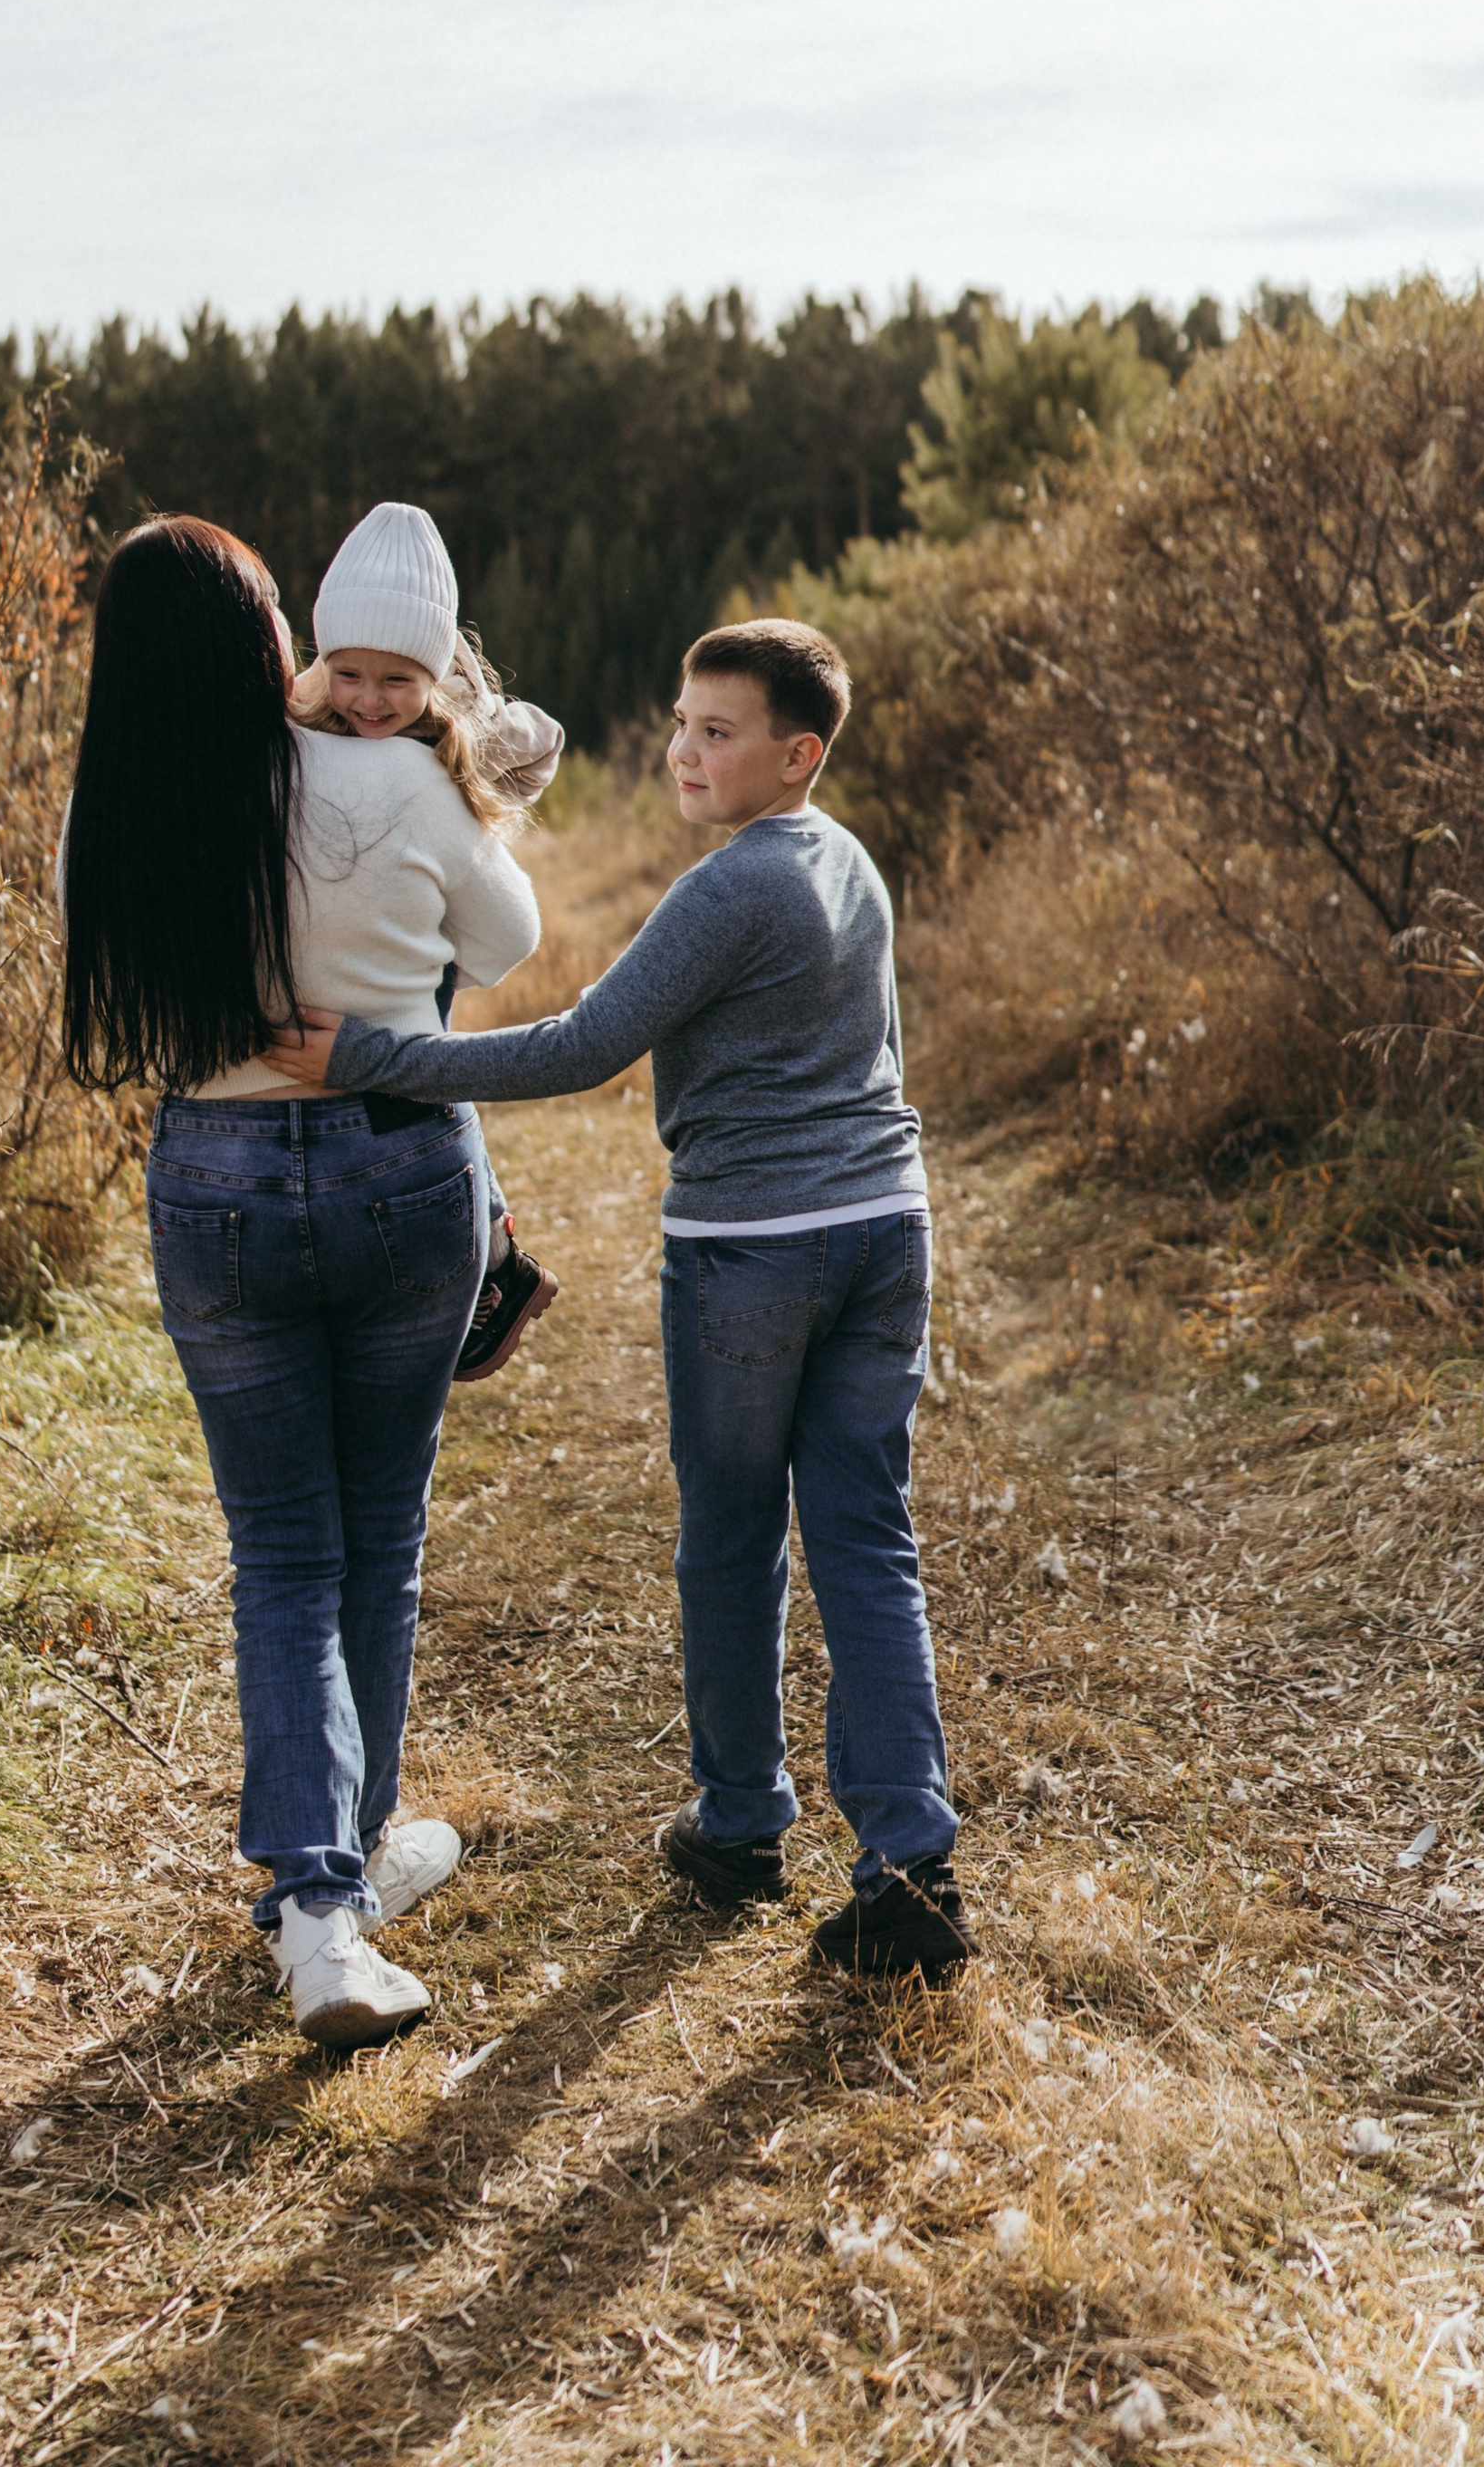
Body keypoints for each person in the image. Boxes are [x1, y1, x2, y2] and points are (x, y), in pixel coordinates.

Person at [267, 618, 973, 1979]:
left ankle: (740, 1824)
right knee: (866, 1538)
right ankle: (909, 1869)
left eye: (718, 732)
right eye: (681, 723)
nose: (683, 752)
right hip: (888, 1228)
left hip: (753, 1247)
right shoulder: (849, 863)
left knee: (731, 1536)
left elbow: (582, 1045)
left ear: (798, 753)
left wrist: (368, 1055)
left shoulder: (731, 887)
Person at [61, 516, 541, 2049]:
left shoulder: (124, 808)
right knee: (376, 1534)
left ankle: (322, 1896)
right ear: (264, 636)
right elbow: (507, 942)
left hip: (212, 1178)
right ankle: (344, 1874)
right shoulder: (390, 775)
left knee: (280, 1548)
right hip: (400, 1168)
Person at [292, 500, 565, 1378]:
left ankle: (492, 1247)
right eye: (349, 675)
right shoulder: (311, 707)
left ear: (434, 670)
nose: (370, 701)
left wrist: (470, 754)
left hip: (432, 933)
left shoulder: (457, 719)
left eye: (397, 682)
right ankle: (488, 1245)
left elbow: (541, 743)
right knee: (409, 1070)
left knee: (423, 1069)